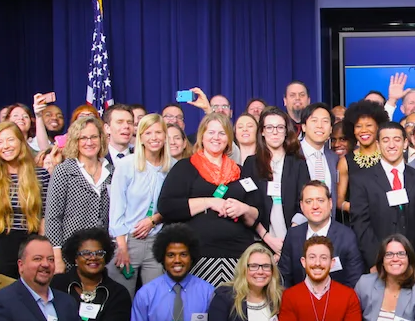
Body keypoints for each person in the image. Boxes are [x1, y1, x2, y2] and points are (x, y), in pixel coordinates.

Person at [156, 111, 265, 287]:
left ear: (229, 139)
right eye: (211, 132)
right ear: (202, 136)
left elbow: (257, 213)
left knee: (233, 310)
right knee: (199, 312)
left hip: (237, 256)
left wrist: (243, 208)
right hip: (198, 257)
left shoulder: (241, 172)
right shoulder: (185, 168)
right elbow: (167, 207)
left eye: (222, 133)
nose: (216, 137)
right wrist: (209, 202)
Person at [0, 121, 49, 277]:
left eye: (10, 140)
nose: (5, 146)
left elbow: (44, 217)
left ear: (21, 142)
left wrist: (44, 248)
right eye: (0, 142)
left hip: (29, 246)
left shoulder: (41, 175)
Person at [349, 121, 415, 270]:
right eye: (386, 140)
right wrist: (376, 262)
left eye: (397, 140)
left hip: (414, 266)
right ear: (378, 145)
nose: (391, 145)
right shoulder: (361, 180)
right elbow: (361, 225)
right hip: (379, 266)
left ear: (406, 143)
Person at [109, 113, 171, 294]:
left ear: (165, 136)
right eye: (148, 133)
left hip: (156, 242)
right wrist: (121, 246)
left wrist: (155, 219)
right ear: (141, 137)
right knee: (122, 299)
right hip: (128, 241)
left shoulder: (172, 167)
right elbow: (116, 209)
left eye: (158, 132)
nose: (154, 138)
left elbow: (173, 206)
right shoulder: (126, 165)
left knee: (155, 299)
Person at [42, 115, 111, 276]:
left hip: (101, 255)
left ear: (101, 139)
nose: (89, 142)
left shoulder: (111, 171)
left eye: (94, 137)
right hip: (70, 255)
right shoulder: (64, 171)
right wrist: (57, 257)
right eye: (83, 138)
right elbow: (53, 217)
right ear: (75, 141)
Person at [245, 107, 308, 258]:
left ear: (286, 131)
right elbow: (246, 205)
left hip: (294, 239)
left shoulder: (298, 163)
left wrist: (289, 239)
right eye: (269, 127)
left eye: (280, 127)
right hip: (259, 240)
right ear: (262, 131)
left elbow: (305, 201)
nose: (275, 132)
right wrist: (266, 237)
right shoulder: (251, 163)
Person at [279, 180, 363, 288]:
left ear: (330, 203)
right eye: (309, 201)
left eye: (320, 200)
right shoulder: (293, 235)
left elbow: (353, 280)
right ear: (302, 206)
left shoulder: (347, 236)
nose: (315, 206)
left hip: (336, 302)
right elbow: (284, 277)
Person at [336, 101, 388, 217]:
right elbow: (339, 201)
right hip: (356, 222)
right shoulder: (345, 162)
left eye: (369, 125)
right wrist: (357, 208)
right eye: (358, 126)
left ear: (378, 127)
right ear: (352, 130)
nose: (364, 130)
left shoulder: (389, 157)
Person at [296, 103, 339, 202]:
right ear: (304, 127)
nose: (320, 126)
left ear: (331, 129)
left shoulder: (334, 158)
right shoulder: (292, 154)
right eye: (314, 121)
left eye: (325, 121)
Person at [101, 105, 136, 171]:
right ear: (107, 128)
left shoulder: (141, 158)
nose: (126, 126)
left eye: (129, 122)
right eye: (120, 122)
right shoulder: (99, 158)